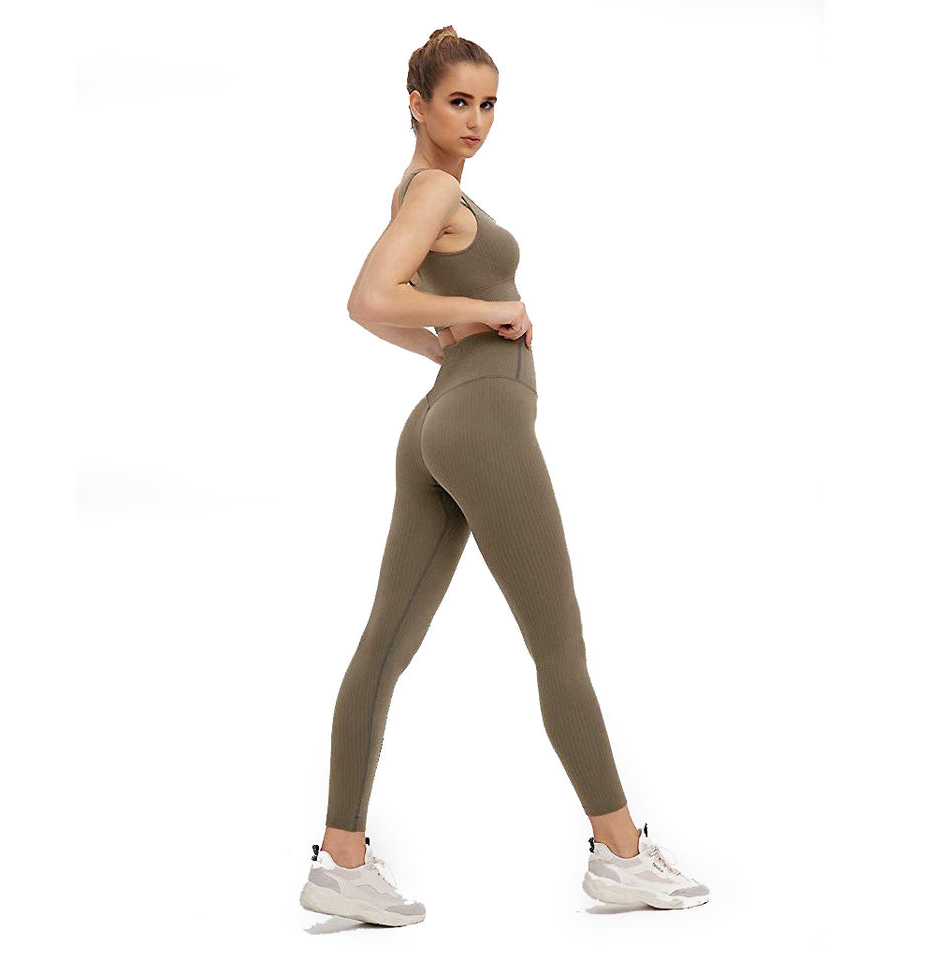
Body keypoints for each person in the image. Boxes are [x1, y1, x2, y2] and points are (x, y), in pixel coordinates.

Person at [299, 26, 709, 926]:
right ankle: (622, 855)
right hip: (480, 421)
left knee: (385, 642)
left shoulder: (420, 189)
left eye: (488, 104)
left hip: (440, 419)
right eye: (458, 101)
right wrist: (485, 312)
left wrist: (439, 340)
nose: (477, 120)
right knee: (558, 643)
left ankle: (342, 863)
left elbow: (390, 301)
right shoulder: (436, 188)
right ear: (417, 104)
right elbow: (368, 298)